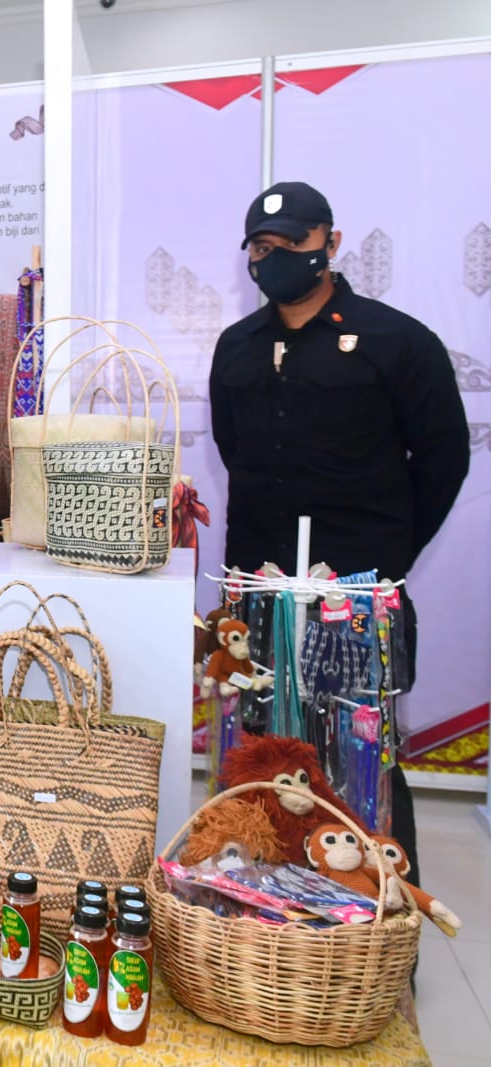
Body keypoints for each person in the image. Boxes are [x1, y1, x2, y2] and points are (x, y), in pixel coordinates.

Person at [209, 180, 470, 888]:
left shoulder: (398, 341)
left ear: (330, 241)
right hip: (261, 596)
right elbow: (236, 452)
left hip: (356, 600)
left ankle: (384, 929)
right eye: (260, 248)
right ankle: (262, 916)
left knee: (364, 759)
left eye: (289, 244)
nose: (273, 259)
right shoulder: (236, 347)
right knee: (259, 757)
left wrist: (386, 556)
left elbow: (444, 456)